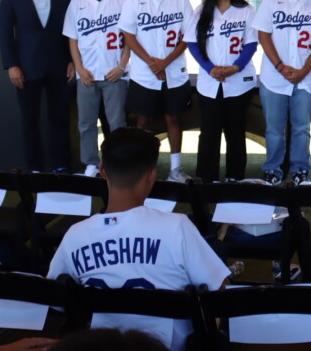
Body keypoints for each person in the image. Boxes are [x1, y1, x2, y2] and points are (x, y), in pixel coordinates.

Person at [47, 127, 230, 351]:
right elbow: (218, 290)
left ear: (103, 170)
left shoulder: (76, 234)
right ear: (152, 174)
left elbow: (56, 299)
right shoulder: (177, 227)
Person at [117, 0, 194, 183]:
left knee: (173, 119)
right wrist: (152, 62)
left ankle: (175, 169)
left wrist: (165, 62)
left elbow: (188, 37)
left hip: (173, 71)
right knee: (143, 122)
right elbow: (129, 35)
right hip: (144, 73)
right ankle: (144, 168)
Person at [0, 0, 74, 172]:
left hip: (59, 67)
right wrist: (11, 65)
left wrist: (71, 60)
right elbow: (4, 31)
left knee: (60, 120)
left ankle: (61, 166)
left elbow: (70, 29)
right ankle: (35, 169)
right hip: (26, 69)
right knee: (30, 121)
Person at [253, 0, 311, 186]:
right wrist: (279, 66)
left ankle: (300, 171)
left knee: (302, 129)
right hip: (275, 77)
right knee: (274, 129)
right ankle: (273, 170)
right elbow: (263, 34)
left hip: (306, 78)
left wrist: (304, 70)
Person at [184, 0, 257, 183]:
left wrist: (235, 68)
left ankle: (234, 177)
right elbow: (192, 44)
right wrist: (210, 68)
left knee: (235, 132)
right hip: (210, 81)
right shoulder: (200, 11)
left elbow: (251, 44)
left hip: (238, 81)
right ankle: (207, 179)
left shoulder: (246, 10)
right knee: (209, 133)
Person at [62, 0, 130, 178]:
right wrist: (79, 69)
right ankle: (91, 164)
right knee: (86, 123)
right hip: (87, 74)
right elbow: (72, 39)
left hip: (115, 74)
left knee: (117, 124)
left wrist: (121, 66)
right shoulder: (77, 3)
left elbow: (131, 39)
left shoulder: (123, 1)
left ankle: (116, 163)